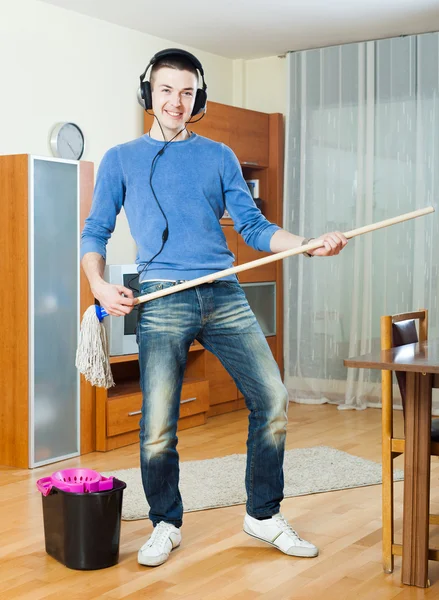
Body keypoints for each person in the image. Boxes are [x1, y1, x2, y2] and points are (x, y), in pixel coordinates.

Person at [81, 48, 348, 568]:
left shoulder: (220, 156)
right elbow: (96, 231)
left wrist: (305, 242)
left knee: (271, 398)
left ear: (196, 96)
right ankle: (165, 522)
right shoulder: (120, 159)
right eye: (166, 90)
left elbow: (252, 226)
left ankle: (263, 515)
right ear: (148, 94)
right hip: (161, 297)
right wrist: (97, 284)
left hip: (223, 292)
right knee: (158, 424)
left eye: (186, 91)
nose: (176, 101)